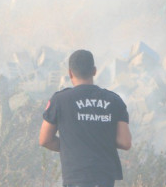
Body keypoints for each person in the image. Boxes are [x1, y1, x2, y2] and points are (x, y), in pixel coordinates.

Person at [39, 49, 132, 187]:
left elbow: (44, 140)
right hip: (104, 179)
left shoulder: (59, 100)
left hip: (75, 178)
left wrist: (72, 146)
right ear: (94, 71)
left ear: (70, 73)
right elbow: (125, 142)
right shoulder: (114, 101)